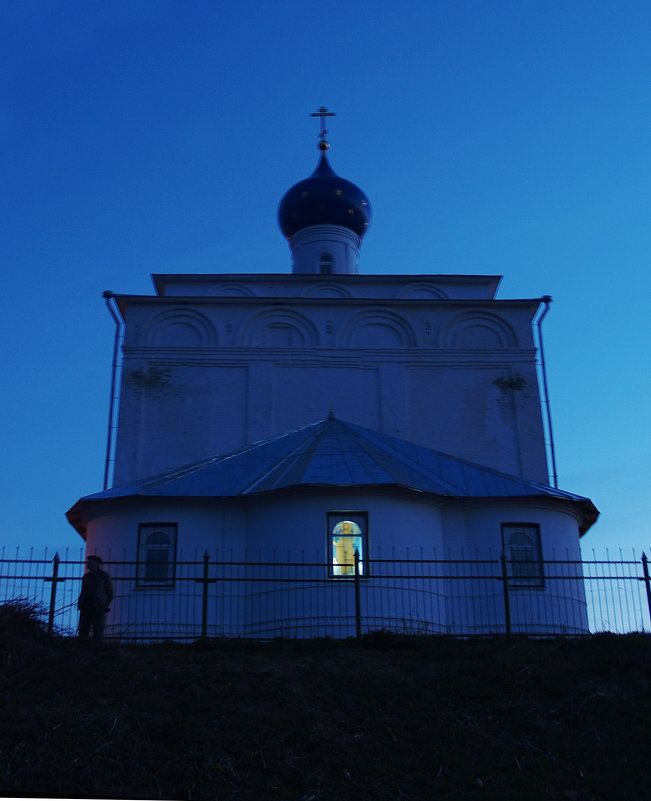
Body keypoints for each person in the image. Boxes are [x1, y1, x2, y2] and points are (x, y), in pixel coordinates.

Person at [78, 555, 113, 643]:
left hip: (98, 607)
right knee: (83, 630)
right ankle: (82, 650)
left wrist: (104, 605)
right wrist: (81, 604)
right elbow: (83, 591)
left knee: (98, 631)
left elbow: (110, 593)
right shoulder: (86, 577)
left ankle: (98, 650)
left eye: (90, 561)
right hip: (86, 606)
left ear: (96, 563)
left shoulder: (104, 576)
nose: (88, 563)